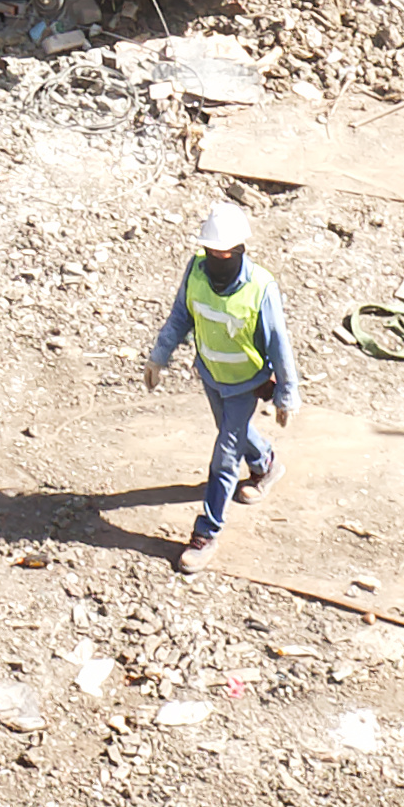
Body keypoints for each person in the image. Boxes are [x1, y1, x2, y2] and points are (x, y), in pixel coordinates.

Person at [136, 202, 294, 572]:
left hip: (245, 383)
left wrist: (287, 392)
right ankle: (266, 464)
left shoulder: (260, 288)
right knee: (232, 432)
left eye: (227, 253)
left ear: (241, 250)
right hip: (211, 375)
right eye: (213, 252)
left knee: (224, 455)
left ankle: (205, 534)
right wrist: (159, 356)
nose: (218, 259)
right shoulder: (196, 271)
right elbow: (181, 315)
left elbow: (279, 344)